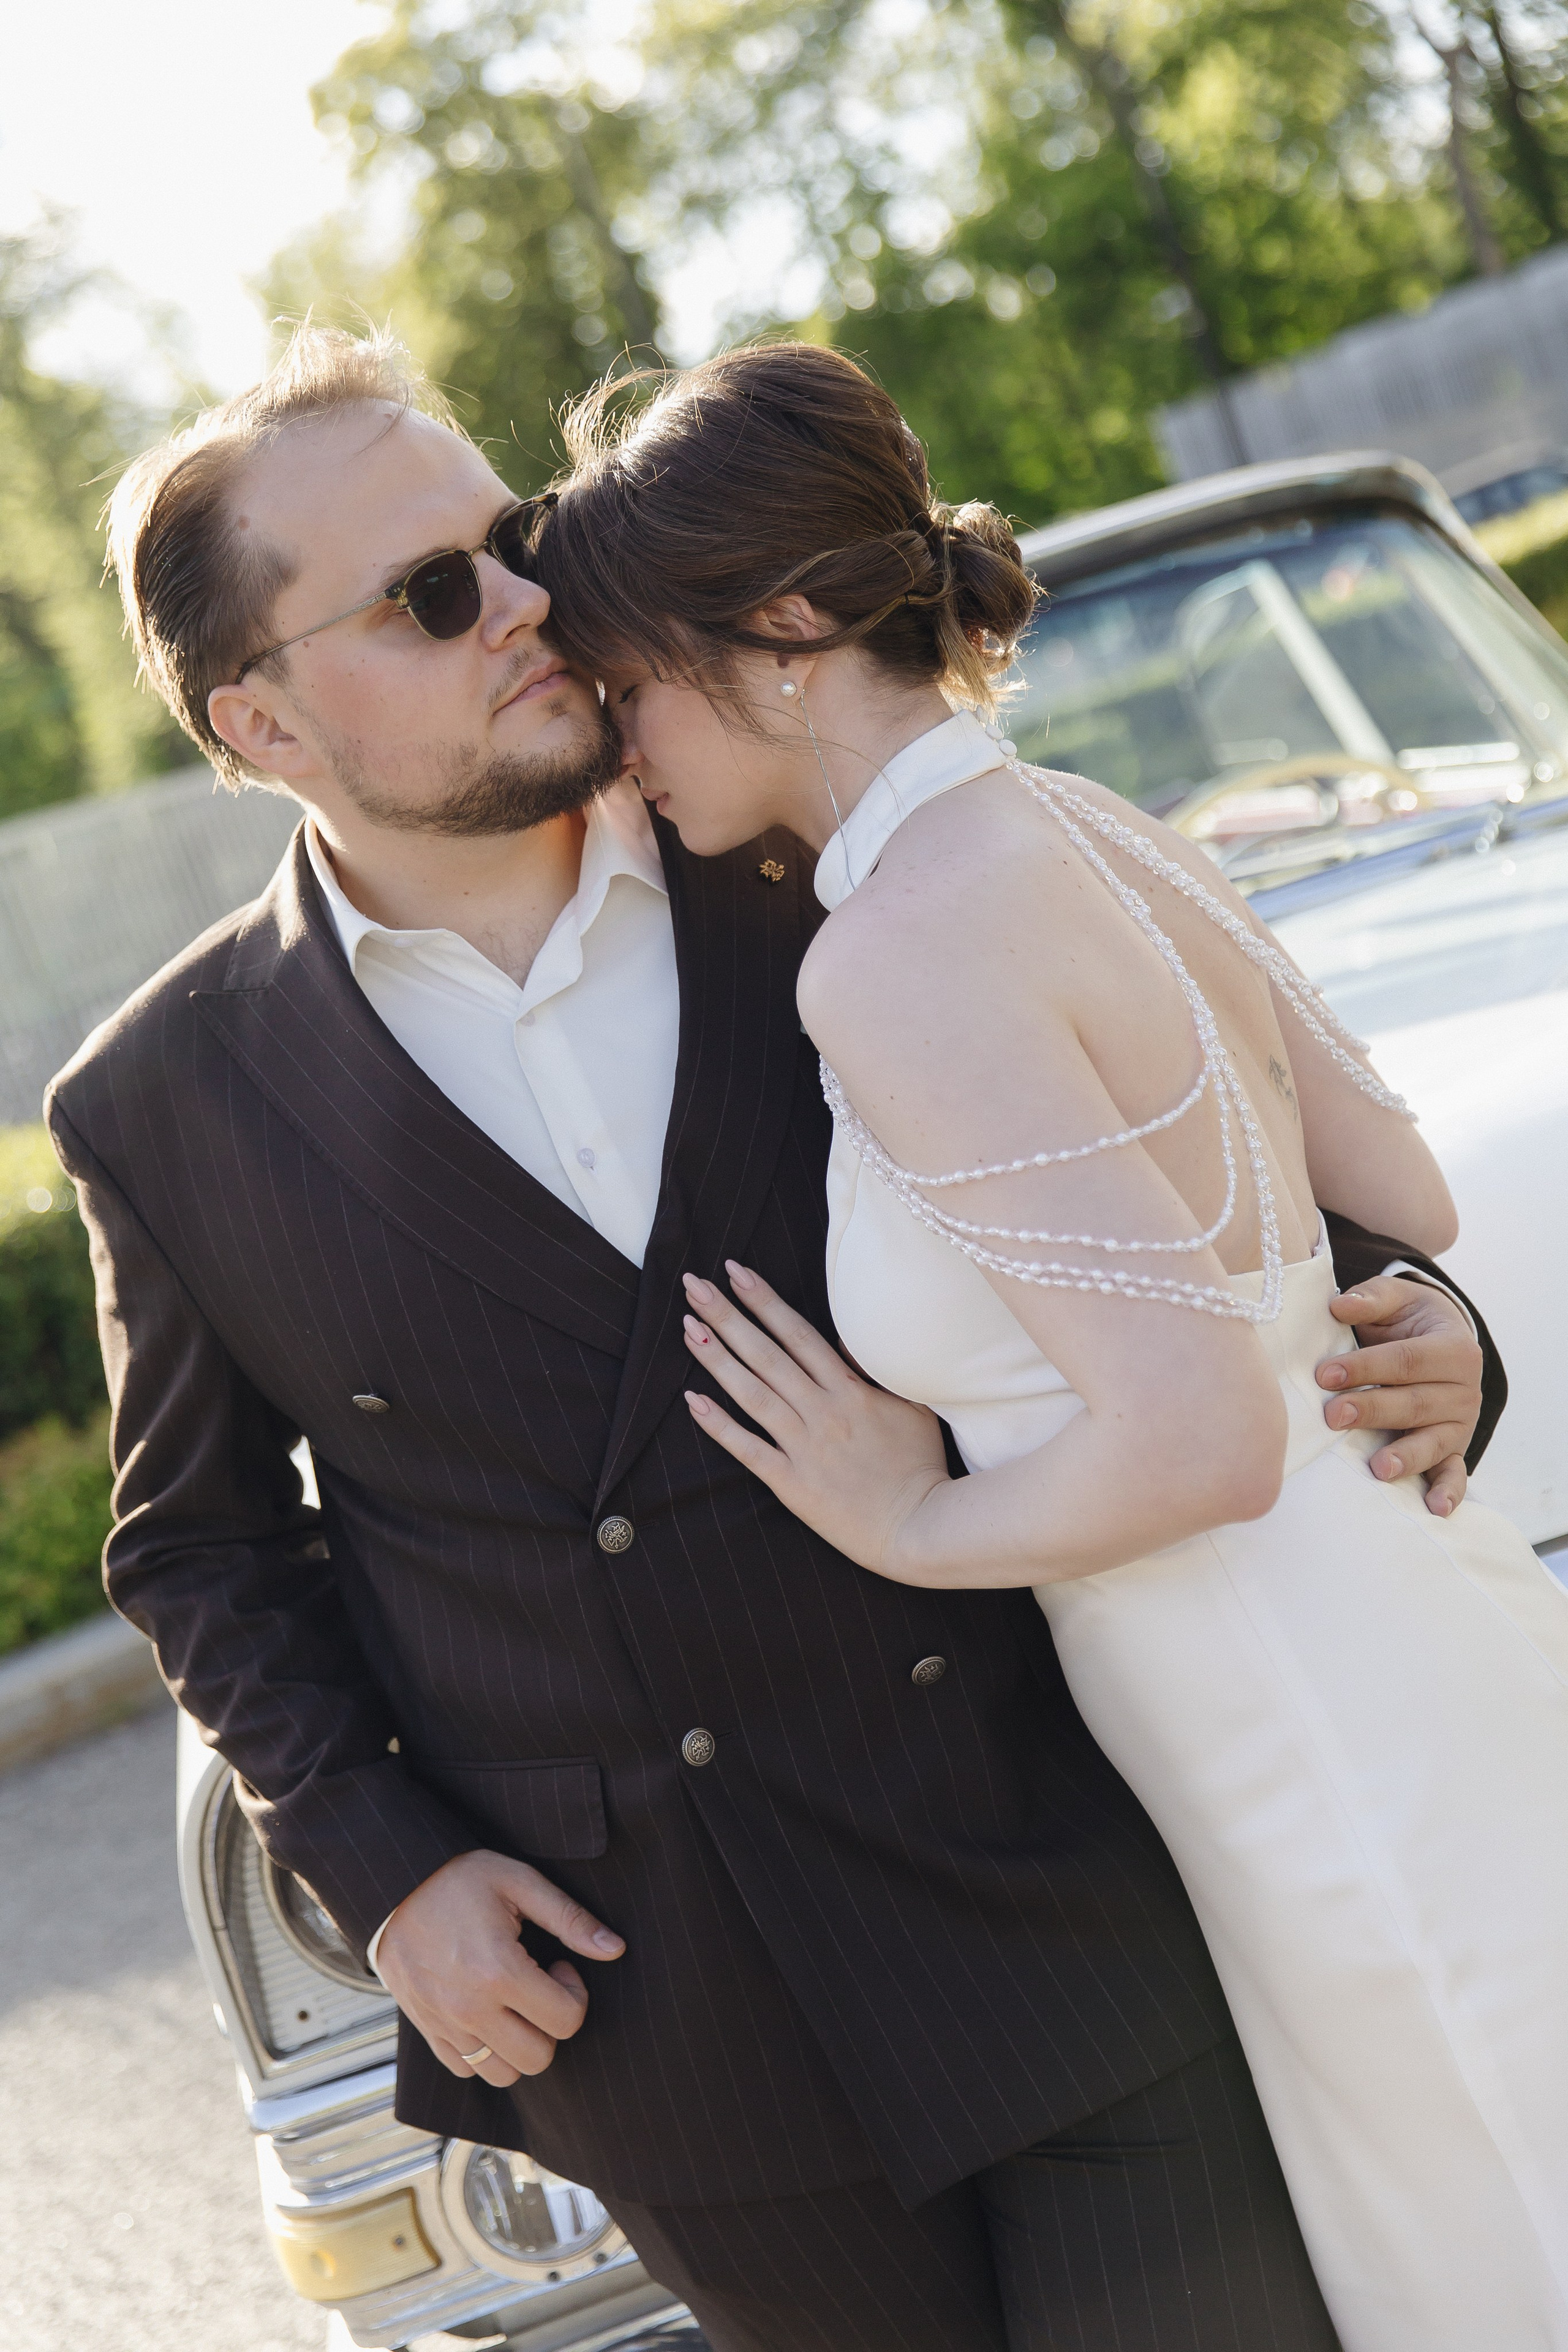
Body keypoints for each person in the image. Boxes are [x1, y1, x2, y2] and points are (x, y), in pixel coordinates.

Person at [50, 323, 1492, 2352]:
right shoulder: (161, 1106)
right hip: (672, 2018)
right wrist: (386, 1873)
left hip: (1064, 1879)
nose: (534, 603)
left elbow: (1220, 1149)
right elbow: (199, 1547)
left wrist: (1437, 1323)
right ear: (264, 721)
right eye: (436, 592)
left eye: (518, 537)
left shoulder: (824, 860)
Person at [533, 339, 1568, 2350]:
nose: (612, 739)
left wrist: (900, 1514)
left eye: (630, 680)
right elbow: (1402, 1198)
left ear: (788, 624)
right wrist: (1374, 1326)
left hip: (1306, 1738)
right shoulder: (1098, 823)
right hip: (1434, 1625)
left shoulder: (894, 947)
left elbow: (1201, 1443)